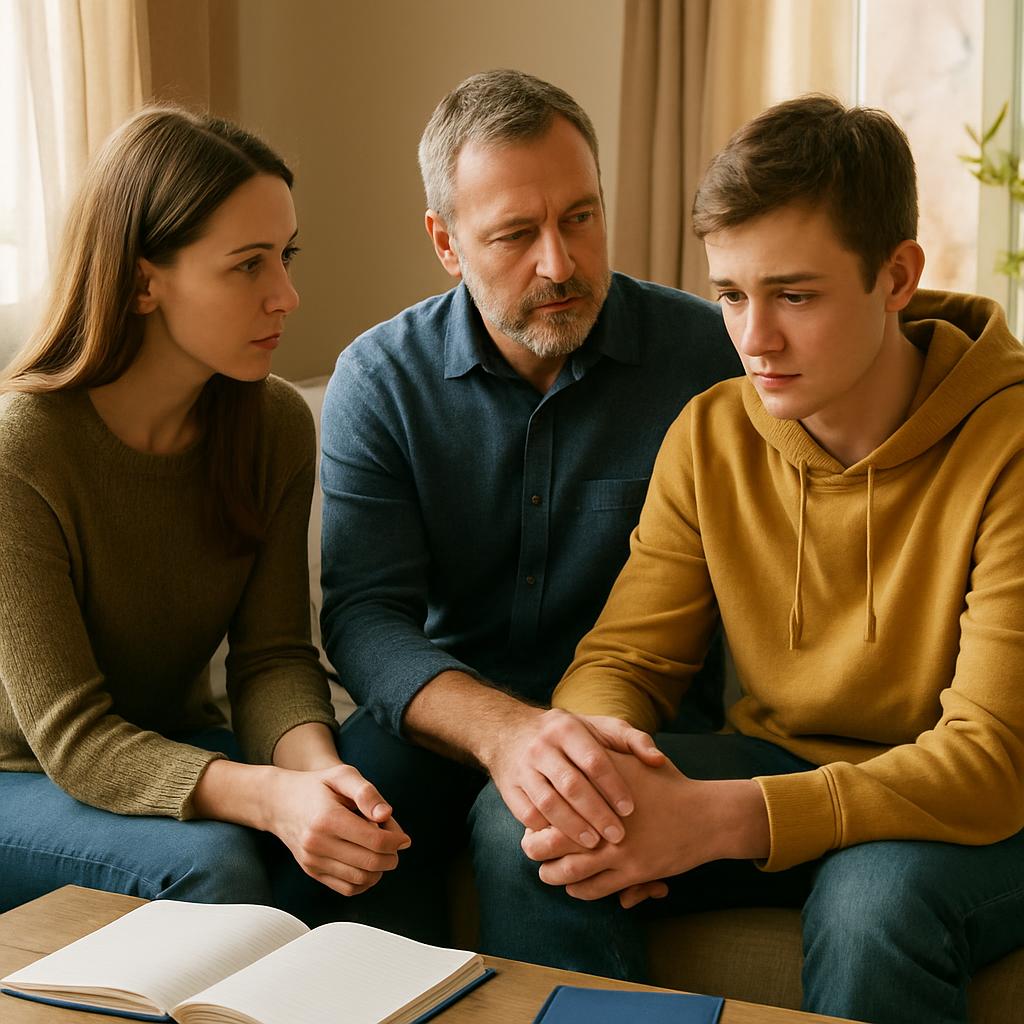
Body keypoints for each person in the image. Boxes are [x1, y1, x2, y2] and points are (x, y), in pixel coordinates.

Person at [471, 94, 1024, 1024]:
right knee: (525, 819)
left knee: (873, 903)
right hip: (782, 757)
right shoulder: (714, 433)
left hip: (983, 803)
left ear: (896, 276)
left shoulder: (1008, 443)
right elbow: (625, 658)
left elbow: (989, 761)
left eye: (794, 295)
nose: (754, 339)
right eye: (731, 295)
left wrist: (715, 821)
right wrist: (597, 780)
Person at [320, 69, 740, 942]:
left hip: (646, 723)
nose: (561, 263)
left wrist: (568, 746)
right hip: (449, 714)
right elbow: (365, 614)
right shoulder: (380, 379)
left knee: (544, 829)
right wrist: (507, 734)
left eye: (580, 218)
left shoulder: (707, 353)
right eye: (515, 234)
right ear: (446, 241)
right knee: (347, 818)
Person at [0, 106, 409, 916]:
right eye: (248, 265)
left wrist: (317, 776)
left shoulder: (273, 428)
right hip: (24, 775)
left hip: (170, 747)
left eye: (285, 256)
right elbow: (74, 740)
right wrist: (267, 799)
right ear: (145, 279)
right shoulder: (22, 452)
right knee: (214, 862)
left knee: (376, 814)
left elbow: (272, 658)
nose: (286, 295)